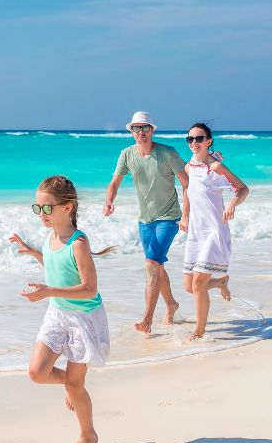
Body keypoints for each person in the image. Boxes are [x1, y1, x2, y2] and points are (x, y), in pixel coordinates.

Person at [9, 176, 116, 443]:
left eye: (47, 208)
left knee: (75, 385)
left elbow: (89, 288)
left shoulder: (79, 243)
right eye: (38, 208)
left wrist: (48, 291)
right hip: (57, 313)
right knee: (37, 372)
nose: (41, 214)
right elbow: (56, 264)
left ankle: (87, 435)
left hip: (83, 318)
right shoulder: (50, 237)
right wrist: (34, 252)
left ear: (67, 208)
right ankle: (70, 384)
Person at [104, 111, 189, 333]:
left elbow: (187, 184)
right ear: (131, 131)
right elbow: (114, 182)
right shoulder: (126, 155)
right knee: (156, 267)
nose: (141, 132)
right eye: (136, 128)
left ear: (152, 130)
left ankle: (146, 320)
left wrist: (187, 214)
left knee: (151, 264)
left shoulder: (168, 153)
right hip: (145, 220)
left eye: (145, 128)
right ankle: (171, 304)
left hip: (169, 217)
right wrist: (109, 201)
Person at [179, 123, 249, 340]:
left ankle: (199, 331)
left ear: (208, 141)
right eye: (190, 139)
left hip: (214, 231)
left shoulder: (216, 168)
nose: (194, 143)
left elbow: (243, 188)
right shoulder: (189, 166)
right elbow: (187, 190)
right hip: (196, 233)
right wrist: (185, 215)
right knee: (190, 286)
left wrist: (232, 204)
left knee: (199, 282)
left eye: (199, 138)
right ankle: (220, 282)